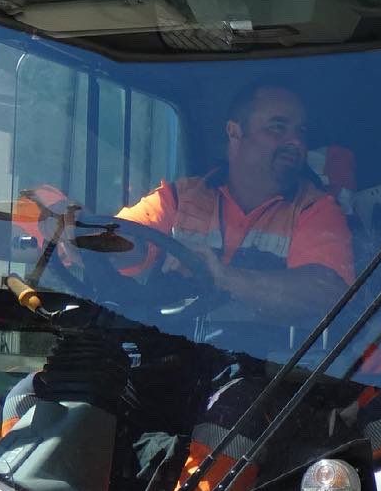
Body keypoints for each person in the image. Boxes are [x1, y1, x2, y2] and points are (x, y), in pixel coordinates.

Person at [118, 81, 354, 326]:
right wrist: (83, 236)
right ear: (234, 132)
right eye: (277, 127)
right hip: (172, 355)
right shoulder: (180, 198)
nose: (295, 141)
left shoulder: (316, 209)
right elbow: (126, 238)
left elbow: (326, 293)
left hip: (276, 360)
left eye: (301, 131)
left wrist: (224, 277)